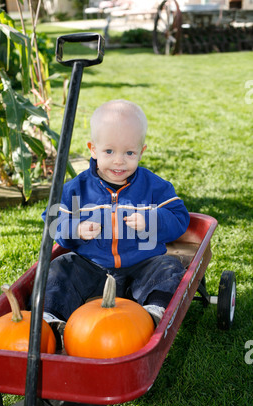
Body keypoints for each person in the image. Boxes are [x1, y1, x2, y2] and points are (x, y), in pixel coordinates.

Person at [42, 100, 190, 327]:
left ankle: (154, 313)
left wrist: (151, 221)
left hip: (142, 264)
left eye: (129, 152)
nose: (119, 160)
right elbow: (52, 220)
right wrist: (76, 229)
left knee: (169, 267)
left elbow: (179, 217)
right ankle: (50, 319)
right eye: (109, 151)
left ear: (142, 151)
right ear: (92, 149)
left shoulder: (154, 187)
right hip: (90, 265)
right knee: (59, 268)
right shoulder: (76, 189)